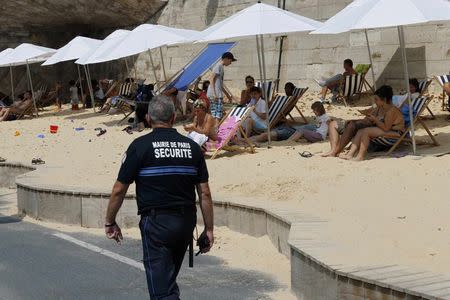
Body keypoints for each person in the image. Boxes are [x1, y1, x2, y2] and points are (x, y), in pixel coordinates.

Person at [105, 95, 214, 299]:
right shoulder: (192, 148)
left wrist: (110, 222)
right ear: (173, 118)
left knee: (161, 292)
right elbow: (205, 193)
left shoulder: (139, 146)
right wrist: (209, 229)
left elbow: (119, 189)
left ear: (147, 118)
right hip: (185, 223)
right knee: (168, 280)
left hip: (156, 225)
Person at [340, 85, 405, 161]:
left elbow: (386, 128)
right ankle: (350, 154)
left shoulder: (391, 111)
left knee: (366, 131)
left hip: (396, 134)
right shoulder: (381, 108)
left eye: (376, 99)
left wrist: (375, 120)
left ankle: (360, 156)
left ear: (384, 99)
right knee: (360, 131)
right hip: (389, 130)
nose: (375, 101)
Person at [207, 52, 236, 120]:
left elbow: (220, 84)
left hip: (216, 94)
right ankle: (215, 129)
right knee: (217, 115)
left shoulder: (221, 67)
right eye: (230, 60)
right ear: (226, 59)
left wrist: (227, 94)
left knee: (216, 115)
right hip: (215, 94)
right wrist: (214, 94)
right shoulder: (219, 66)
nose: (230, 63)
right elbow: (211, 79)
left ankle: (214, 128)